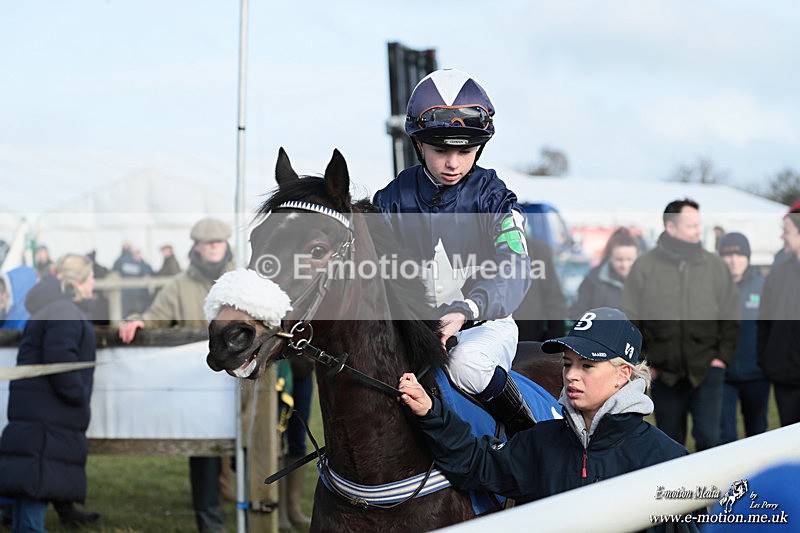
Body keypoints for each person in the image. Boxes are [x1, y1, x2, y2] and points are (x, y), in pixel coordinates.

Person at [398, 307, 689, 516]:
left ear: (622, 374)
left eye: (587, 365)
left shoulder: (666, 460)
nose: (571, 375)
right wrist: (431, 412)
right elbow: (476, 464)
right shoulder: (541, 442)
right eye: (567, 364)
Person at [373, 68, 535, 435]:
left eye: (465, 151)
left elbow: (516, 267)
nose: (453, 163)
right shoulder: (390, 200)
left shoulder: (494, 197)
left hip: (483, 325)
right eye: (440, 150)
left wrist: (466, 310)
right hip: (414, 330)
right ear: (418, 145)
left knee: (466, 364)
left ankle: (527, 438)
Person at [119, 218, 233, 533]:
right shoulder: (179, 285)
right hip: (201, 389)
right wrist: (137, 321)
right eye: (207, 242)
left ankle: (264, 511)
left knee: (256, 450)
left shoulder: (242, 280)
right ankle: (211, 523)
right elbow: (155, 317)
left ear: (226, 244)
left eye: (219, 241)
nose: (213, 246)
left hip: (244, 386)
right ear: (195, 246)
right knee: (204, 455)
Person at [620, 198, 739, 451]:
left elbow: (731, 315)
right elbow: (631, 319)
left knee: (709, 439)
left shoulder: (715, 266)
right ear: (671, 227)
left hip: (707, 370)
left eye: (699, 224)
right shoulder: (645, 266)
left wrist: (721, 359)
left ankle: (711, 489)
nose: (698, 230)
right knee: (670, 444)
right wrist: (645, 364)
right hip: (664, 374)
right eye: (691, 225)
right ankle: (676, 492)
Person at [0, 254, 101, 531]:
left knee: (30, 492)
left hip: (40, 415)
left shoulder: (54, 309)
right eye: (91, 278)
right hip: (48, 418)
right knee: (36, 490)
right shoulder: (63, 311)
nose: (94, 284)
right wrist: (78, 396)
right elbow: (61, 360)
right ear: (79, 282)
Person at [717, 232, 769, 443]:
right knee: (725, 437)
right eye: (728, 255)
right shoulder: (712, 287)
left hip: (757, 374)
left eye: (739, 255)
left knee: (757, 433)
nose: (734, 260)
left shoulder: (763, 286)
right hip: (723, 376)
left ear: (748, 257)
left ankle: (758, 476)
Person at [758, 205, 800, 427]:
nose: (782, 235)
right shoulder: (778, 274)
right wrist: (768, 358)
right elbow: (764, 321)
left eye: (787, 230)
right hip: (785, 377)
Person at [569, 226, 639, 318]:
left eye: (629, 259)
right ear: (610, 256)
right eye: (619, 260)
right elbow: (577, 311)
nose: (624, 265)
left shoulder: (647, 280)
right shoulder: (594, 278)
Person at [515, 235, 567, 342]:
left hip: (530, 340)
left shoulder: (537, 250)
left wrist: (553, 341)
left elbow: (555, 299)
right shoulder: (480, 249)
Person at [111, 242, 154, 316]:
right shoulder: (140, 263)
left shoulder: (120, 261)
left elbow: (113, 272)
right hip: (138, 296)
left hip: (127, 296)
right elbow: (150, 272)